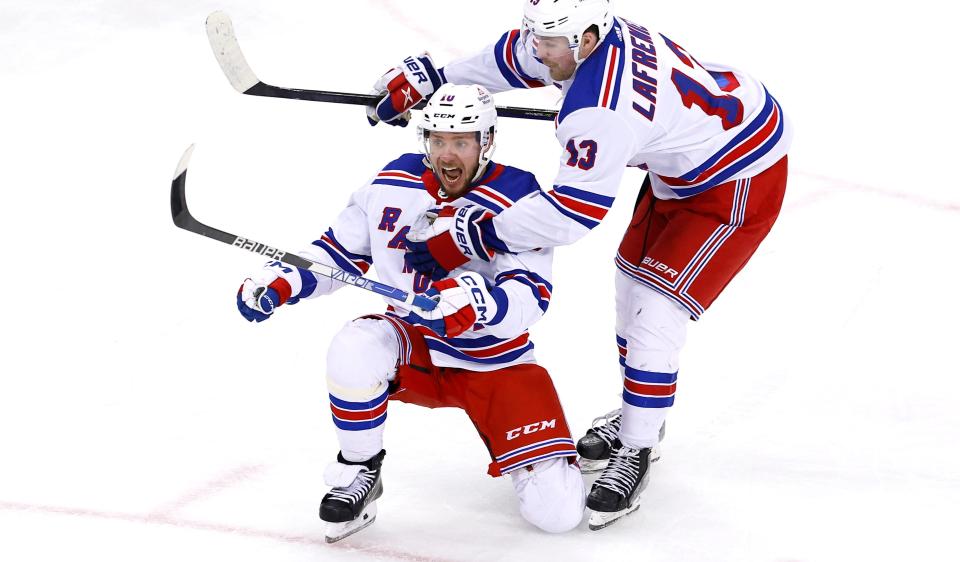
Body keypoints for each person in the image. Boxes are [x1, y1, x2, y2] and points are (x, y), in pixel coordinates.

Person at [366, 0, 792, 529]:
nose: (540, 54)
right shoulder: (576, 37)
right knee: (632, 292)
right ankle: (640, 413)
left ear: (588, 39)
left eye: (551, 46)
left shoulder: (601, 111)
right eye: (539, 40)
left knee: (656, 312)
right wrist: (438, 79)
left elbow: (572, 212)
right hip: (687, 160)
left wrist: (473, 236)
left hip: (736, 179)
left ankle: (636, 449)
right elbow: (519, 58)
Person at [236, 83, 585, 542]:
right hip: (414, 344)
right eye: (437, 140)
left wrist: (476, 303)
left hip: (494, 361)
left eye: (460, 142)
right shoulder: (392, 181)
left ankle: (553, 458)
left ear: (487, 141)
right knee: (356, 345)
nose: (446, 154)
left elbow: (530, 293)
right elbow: (338, 252)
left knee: (557, 514)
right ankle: (360, 469)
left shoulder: (519, 194)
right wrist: (287, 280)